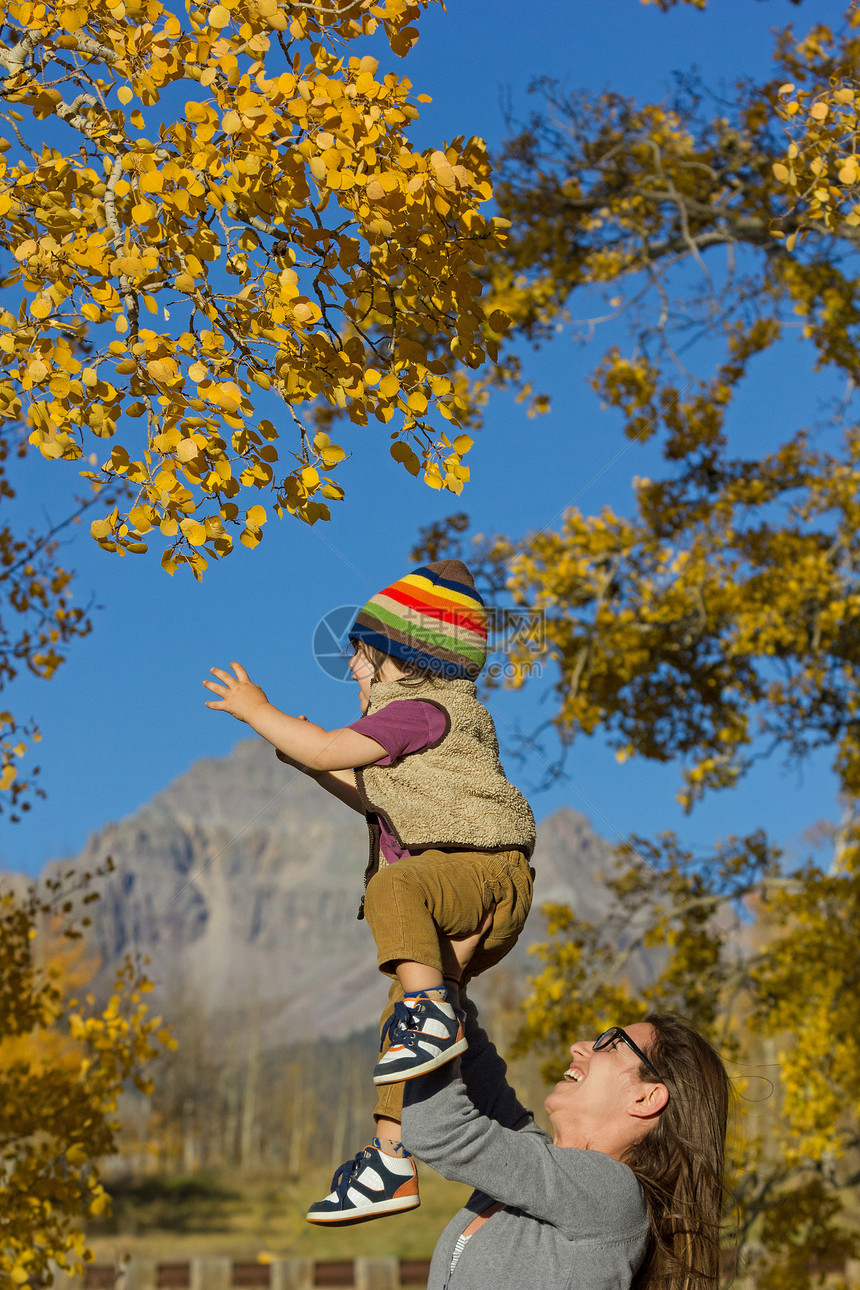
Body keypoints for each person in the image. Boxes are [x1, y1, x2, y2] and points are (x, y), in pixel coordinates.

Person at [203, 559, 536, 1224]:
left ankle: (430, 1014)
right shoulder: (420, 728)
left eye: (360, 654)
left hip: (475, 874)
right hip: (467, 887)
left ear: (404, 661)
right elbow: (360, 788)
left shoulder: (419, 711)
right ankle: (398, 1159)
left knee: (394, 891)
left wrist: (260, 712)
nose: (352, 667)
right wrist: (306, 757)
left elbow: (331, 751)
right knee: (402, 1038)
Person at [401, 989, 729, 1290]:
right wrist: (449, 974)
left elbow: (435, 1129)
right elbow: (475, 1065)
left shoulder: (614, 1193)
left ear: (646, 1099)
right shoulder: (541, 1169)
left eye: (612, 1044)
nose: (579, 1046)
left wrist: (428, 999)